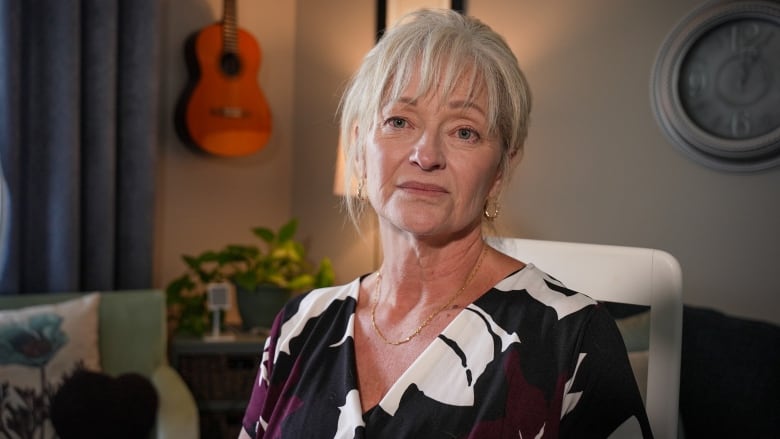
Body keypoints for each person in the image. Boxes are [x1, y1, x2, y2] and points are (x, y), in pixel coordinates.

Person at [239, 9, 652, 439]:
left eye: (464, 132)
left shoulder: (574, 337)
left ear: (499, 170)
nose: (427, 154)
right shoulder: (298, 326)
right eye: (399, 121)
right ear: (359, 150)